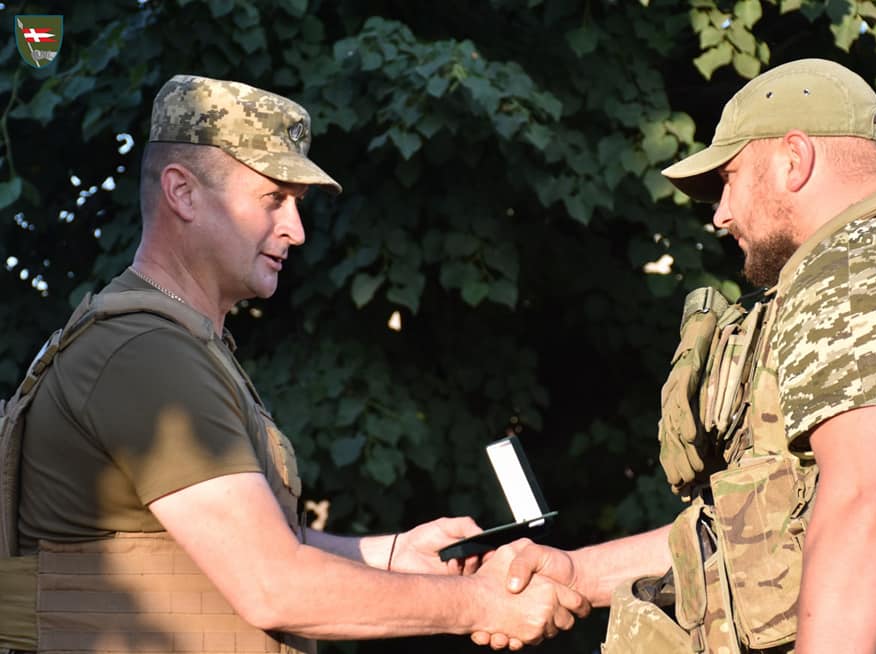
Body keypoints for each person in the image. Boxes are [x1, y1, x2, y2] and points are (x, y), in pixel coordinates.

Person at [0, 74, 588, 653]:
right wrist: (481, 603)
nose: (297, 231)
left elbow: (232, 546)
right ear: (182, 192)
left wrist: (392, 554)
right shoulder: (145, 355)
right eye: (273, 199)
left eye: (297, 204)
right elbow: (274, 585)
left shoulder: (170, 343)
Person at [478, 58, 876, 653]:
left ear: (794, 159)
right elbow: (763, 530)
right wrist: (577, 574)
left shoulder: (855, 260)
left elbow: (869, 499)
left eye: (730, 179)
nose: (720, 214)